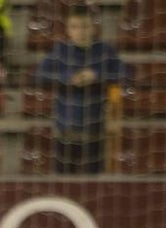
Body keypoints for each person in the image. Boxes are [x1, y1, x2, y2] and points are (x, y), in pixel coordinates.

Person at [35, 5, 128, 174]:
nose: (80, 31)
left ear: (93, 27)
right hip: (66, 133)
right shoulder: (60, 50)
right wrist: (68, 78)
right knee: (63, 185)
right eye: (75, 27)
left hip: (95, 133)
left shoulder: (105, 51)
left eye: (85, 26)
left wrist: (96, 75)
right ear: (68, 30)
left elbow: (125, 74)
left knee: (93, 186)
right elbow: (40, 75)